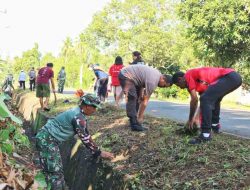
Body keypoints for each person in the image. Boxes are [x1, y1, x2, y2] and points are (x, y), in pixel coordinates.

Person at [36, 94, 114, 189]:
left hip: (47, 138)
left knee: (52, 170)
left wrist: (96, 151)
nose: (95, 110)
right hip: (47, 140)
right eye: (93, 107)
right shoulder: (78, 117)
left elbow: (86, 134)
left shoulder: (78, 113)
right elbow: (85, 138)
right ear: (86, 106)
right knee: (55, 173)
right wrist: (98, 152)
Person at [172, 67, 242, 144]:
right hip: (234, 78)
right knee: (214, 99)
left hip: (229, 76)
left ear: (180, 79)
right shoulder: (201, 83)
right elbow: (203, 104)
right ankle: (215, 127)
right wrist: (196, 118)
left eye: (178, 85)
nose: (181, 88)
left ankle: (205, 135)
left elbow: (194, 100)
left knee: (206, 98)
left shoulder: (188, 75)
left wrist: (190, 119)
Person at [118, 64, 172, 131]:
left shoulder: (157, 74)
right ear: (163, 78)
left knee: (137, 98)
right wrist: (140, 116)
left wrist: (140, 94)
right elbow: (145, 102)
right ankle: (134, 124)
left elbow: (141, 79)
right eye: (164, 85)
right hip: (126, 75)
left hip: (133, 77)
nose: (162, 87)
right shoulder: (153, 81)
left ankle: (134, 121)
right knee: (132, 97)